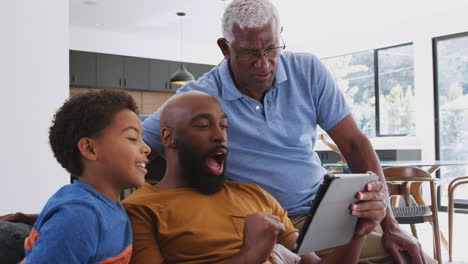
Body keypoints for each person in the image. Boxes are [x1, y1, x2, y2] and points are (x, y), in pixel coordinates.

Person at [141, 1, 432, 263]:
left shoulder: (308, 70)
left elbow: (355, 143)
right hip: (269, 221)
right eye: (249, 53)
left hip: (330, 208)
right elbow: (137, 147)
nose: (264, 63)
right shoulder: (200, 98)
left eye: (271, 48)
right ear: (225, 48)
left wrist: (392, 225)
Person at [123, 91, 387, 264]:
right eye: (203, 125)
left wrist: (356, 234)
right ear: (168, 137)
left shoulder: (255, 196)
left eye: (224, 126)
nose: (220, 136)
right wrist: (249, 255)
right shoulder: (141, 209)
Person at [20, 90, 151, 263]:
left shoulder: (108, 207)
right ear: (90, 149)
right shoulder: (79, 215)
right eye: (132, 138)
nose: (146, 148)